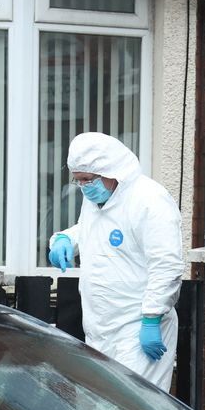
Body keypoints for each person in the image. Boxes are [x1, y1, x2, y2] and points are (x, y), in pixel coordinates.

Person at [48, 132, 184, 392]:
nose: (84, 187)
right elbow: (89, 229)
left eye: (88, 179)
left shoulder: (149, 201)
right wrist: (65, 239)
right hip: (101, 329)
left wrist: (152, 318)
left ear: (110, 171)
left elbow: (166, 265)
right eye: (79, 181)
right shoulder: (97, 199)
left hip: (138, 329)